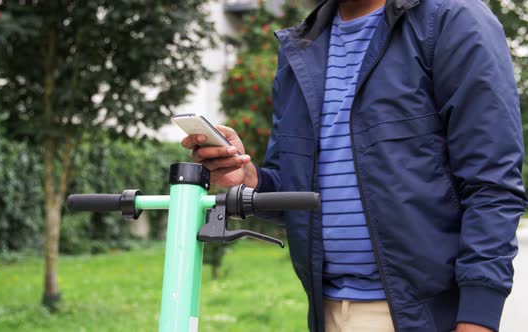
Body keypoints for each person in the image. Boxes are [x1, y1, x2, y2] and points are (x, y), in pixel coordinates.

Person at [181, 0, 526, 331]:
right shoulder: (302, 45)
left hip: (426, 316)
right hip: (326, 311)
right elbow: (298, 193)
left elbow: (492, 184)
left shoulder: (453, 19)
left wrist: (478, 319)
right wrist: (249, 178)